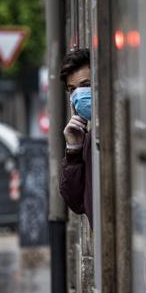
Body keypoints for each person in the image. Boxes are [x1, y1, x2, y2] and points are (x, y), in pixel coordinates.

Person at [59, 48, 93, 227]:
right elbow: (77, 203)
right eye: (72, 89)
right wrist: (74, 150)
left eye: (86, 85)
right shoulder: (87, 138)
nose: (78, 94)